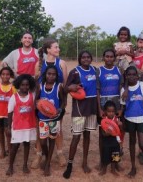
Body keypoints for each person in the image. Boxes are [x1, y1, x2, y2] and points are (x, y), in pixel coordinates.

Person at [32, 38, 68, 168]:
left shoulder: (62, 63)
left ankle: (59, 153)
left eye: (58, 47)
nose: (58, 49)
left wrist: (62, 107)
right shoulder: (39, 64)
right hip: (41, 104)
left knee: (57, 130)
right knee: (39, 130)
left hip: (56, 102)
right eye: (56, 47)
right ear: (48, 50)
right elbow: (36, 86)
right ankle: (38, 155)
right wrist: (38, 104)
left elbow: (64, 85)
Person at [63, 51, 99, 179]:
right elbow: (65, 88)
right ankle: (70, 164)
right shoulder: (75, 71)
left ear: (91, 59)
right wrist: (71, 87)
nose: (86, 59)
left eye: (88, 57)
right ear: (79, 59)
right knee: (76, 137)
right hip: (79, 109)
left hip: (92, 107)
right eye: (83, 57)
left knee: (87, 135)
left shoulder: (95, 70)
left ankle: (84, 162)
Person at [120, 66, 143, 180]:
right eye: (128, 74)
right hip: (129, 118)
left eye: (133, 74)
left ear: (137, 75)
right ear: (126, 76)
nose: (131, 76)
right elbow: (123, 107)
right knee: (131, 142)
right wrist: (123, 122)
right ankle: (133, 167)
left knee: (142, 144)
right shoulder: (123, 91)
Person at [35, 65, 67, 176]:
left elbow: (63, 102)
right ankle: (47, 155)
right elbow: (36, 100)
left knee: (52, 140)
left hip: (54, 119)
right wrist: (39, 105)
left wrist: (59, 109)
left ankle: (47, 163)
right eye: (49, 74)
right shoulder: (40, 86)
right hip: (43, 119)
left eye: (54, 74)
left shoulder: (59, 87)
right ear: (45, 75)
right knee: (43, 142)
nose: (51, 76)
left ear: (56, 75)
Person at [96, 49, 123, 169]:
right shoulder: (99, 71)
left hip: (116, 106)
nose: (109, 58)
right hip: (104, 106)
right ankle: (103, 162)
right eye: (107, 56)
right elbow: (97, 91)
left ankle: (116, 163)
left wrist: (121, 107)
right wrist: (99, 109)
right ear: (103, 57)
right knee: (103, 136)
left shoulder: (119, 70)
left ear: (114, 58)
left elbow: (122, 89)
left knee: (117, 137)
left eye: (111, 57)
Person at [6, 74, 37, 176]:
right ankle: (10, 166)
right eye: (23, 85)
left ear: (30, 85)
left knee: (27, 144)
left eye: (27, 85)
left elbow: (35, 109)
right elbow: (10, 113)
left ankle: (25, 165)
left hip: (28, 126)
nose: (25, 87)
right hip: (17, 127)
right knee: (15, 146)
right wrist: (8, 127)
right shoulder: (14, 97)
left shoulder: (32, 96)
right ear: (18, 85)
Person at [99, 101, 123, 177]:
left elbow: (121, 131)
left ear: (115, 111)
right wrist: (107, 133)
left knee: (115, 155)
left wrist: (121, 125)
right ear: (105, 111)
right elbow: (102, 133)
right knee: (105, 155)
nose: (111, 113)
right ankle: (104, 169)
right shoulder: (103, 121)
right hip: (106, 141)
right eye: (109, 111)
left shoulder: (117, 120)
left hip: (115, 141)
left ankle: (113, 170)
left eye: (113, 111)